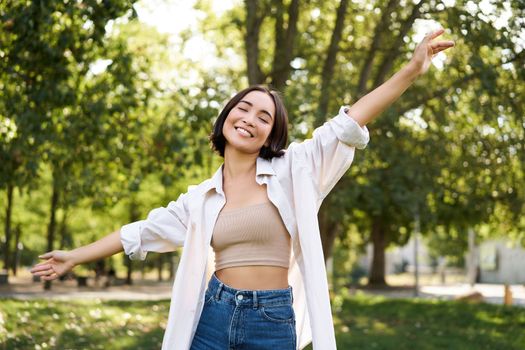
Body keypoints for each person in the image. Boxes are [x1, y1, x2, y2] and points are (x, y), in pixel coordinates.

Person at [30, 28, 454, 349]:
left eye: (264, 117)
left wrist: (412, 69)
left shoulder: (296, 169)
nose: (250, 118)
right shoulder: (201, 197)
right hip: (213, 312)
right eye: (243, 107)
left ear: (271, 134)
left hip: (271, 318)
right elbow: (138, 233)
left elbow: (351, 121)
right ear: (227, 116)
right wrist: (73, 257)